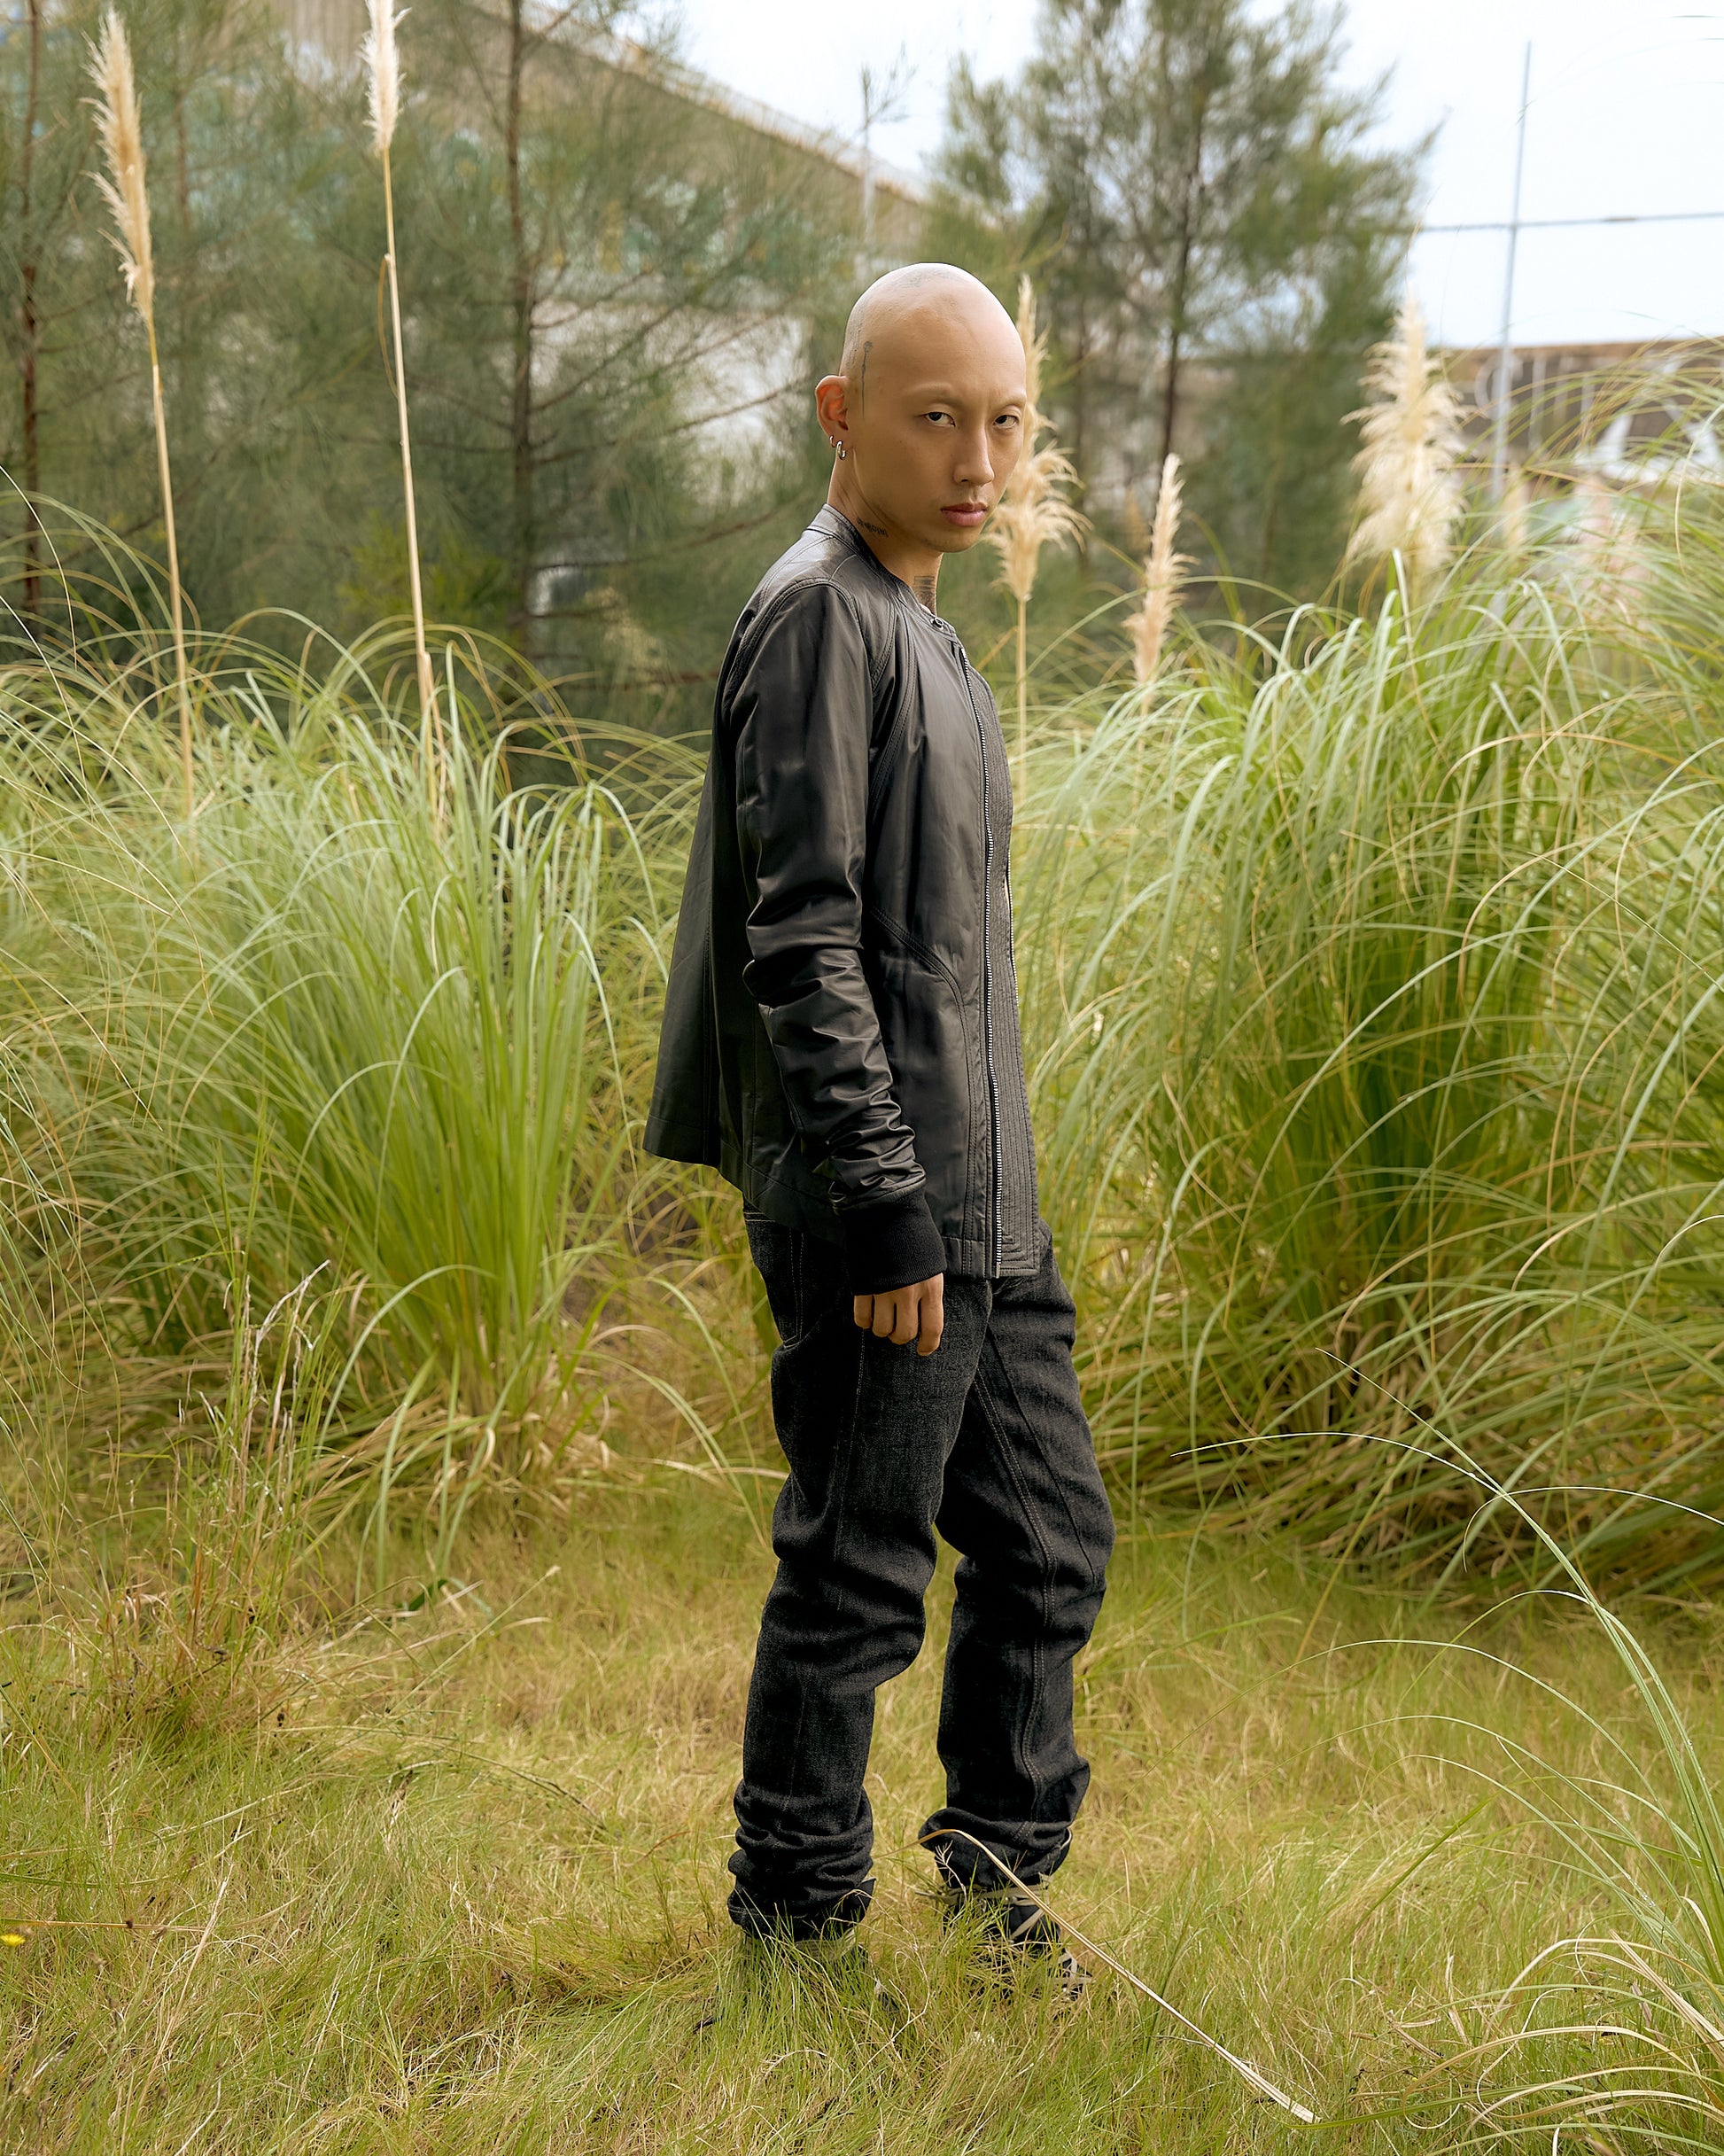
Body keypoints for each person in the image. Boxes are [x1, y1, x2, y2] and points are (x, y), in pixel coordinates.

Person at [645, 262, 1114, 1981]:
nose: (977, 457)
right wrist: (883, 1203)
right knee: (856, 1567)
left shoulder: (918, 617)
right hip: (890, 1207)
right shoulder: (817, 618)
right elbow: (803, 937)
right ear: (842, 416)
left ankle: (998, 1886)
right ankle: (794, 1925)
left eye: (1004, 419)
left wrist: (973, 1205)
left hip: (985, 1202)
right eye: (935, 417)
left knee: (1048, 1544)